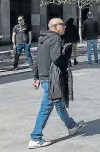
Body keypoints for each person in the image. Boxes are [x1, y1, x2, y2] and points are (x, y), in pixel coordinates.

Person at [29, 18, 84, 149]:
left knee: (58, 103)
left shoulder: (43, 39)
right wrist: (65, 65)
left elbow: (37, 60)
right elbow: (56, 58)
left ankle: (71, 126)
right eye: (62, 25)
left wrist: (36, 77)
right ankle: (35, 137)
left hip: (44, 77)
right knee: (46, 106)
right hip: (51, 77)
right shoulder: (55, 39)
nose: (64, 26)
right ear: (55, 27)